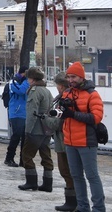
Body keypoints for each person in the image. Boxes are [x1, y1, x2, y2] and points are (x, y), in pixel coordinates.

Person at [61, 62, 105, 212]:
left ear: (81, 77)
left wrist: (72, 114)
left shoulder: (92, 94)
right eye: (68, 77)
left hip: (86, 142)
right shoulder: (67, 92)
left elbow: (96, 118)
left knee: (92, 176)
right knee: (76, 177)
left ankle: (99, 208)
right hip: (70, 141)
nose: (70, 80)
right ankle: (82, 207)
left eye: (73, 77)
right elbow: (63, 115)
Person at [17, 67, 54, 191]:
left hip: (36, 129)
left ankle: (31, 181)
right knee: (46, 156)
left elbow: (32, 112)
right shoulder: (47, 91)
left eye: (28, 78)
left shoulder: (34, 91)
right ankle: (48, 184)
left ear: (32, 79)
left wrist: (28, 130)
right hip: (47, 129)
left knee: (26, 155)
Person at [44, 73, 77, 211]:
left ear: (61, 86)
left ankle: (73, 201)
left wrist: (45, 118)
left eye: (57, 84)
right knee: (66, 171)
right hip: (62, 140)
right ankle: (71, 200)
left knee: (67, 170)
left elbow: (58, 122)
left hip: (65, 140)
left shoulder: (64, 100)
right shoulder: (62, 98)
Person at [5, 66, 30, 167]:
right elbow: (21, 91)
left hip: (24, 113)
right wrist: (27, 81)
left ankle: (22, 160)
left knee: (25, 137)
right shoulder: (14, 82)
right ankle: (9, 158)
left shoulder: (23, 81)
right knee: (16, 135)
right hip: (16, 112)